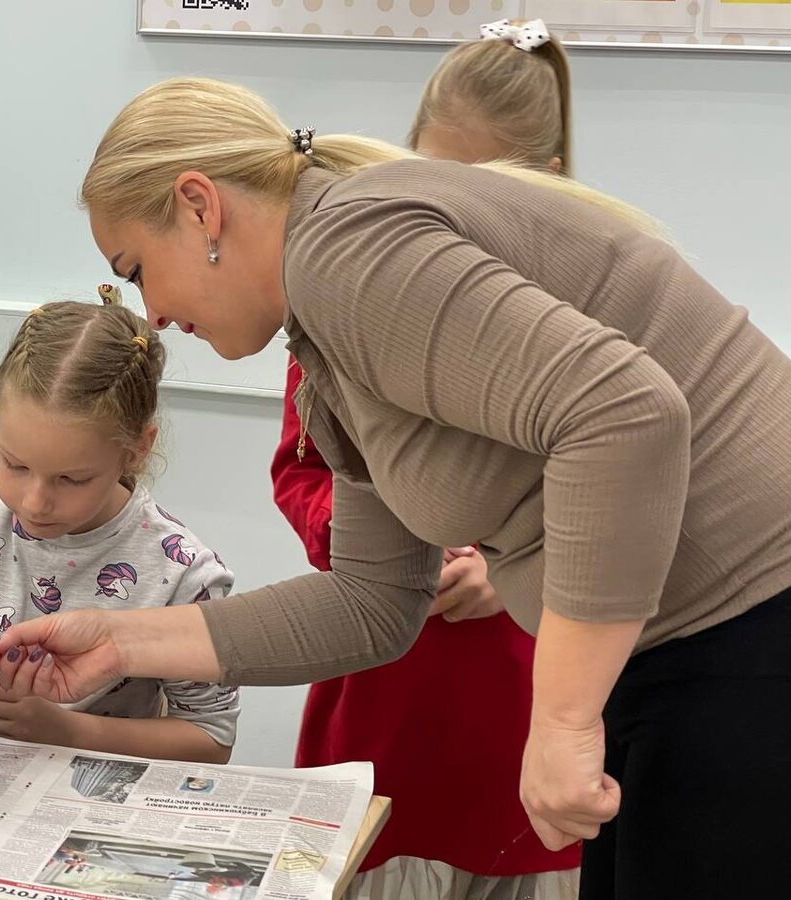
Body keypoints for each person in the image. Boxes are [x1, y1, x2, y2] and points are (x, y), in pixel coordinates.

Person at [0, 74, 791, 899]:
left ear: (201, 207)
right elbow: (373, 601)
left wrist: (563, 720)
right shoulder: (326, 343)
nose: (154, 314)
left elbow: (626, 413)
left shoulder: (347, 254)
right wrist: (122, 641)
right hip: (698, 649)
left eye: (134, 268)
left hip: (767, 622)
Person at [271, 20, 579, 899]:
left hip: (520, 699)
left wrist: (514, 567)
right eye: (429, 172)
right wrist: (375, 547)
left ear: (544, 183)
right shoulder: (343, 294)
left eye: (480, 183)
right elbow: (300, 470)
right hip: (380, 690)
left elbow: (615, 497)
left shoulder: (580, 306)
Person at [0, 294, 239, 764]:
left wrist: (70, 731)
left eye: (72, 479)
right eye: (14, 464)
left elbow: (211, 739)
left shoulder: (180, 571)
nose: (34, 502)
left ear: (136, 450)